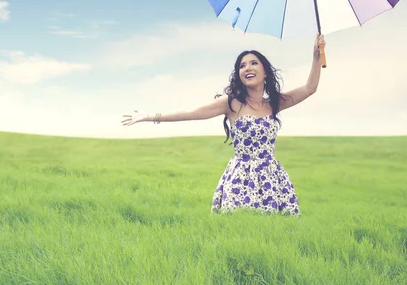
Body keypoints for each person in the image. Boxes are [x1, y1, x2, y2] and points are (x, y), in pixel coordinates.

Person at [121, 34, 326, 216]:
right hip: (240, 179)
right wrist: (150, 116)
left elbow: (309, 88)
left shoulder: (274, 103)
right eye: (242, 66)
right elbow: (192, 113)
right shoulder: (231, 103)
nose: (247, 68)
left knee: (275, 231)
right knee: (240, 229)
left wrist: (316, 59)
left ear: (265, 72)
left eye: (253, 63)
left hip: (271, 177)